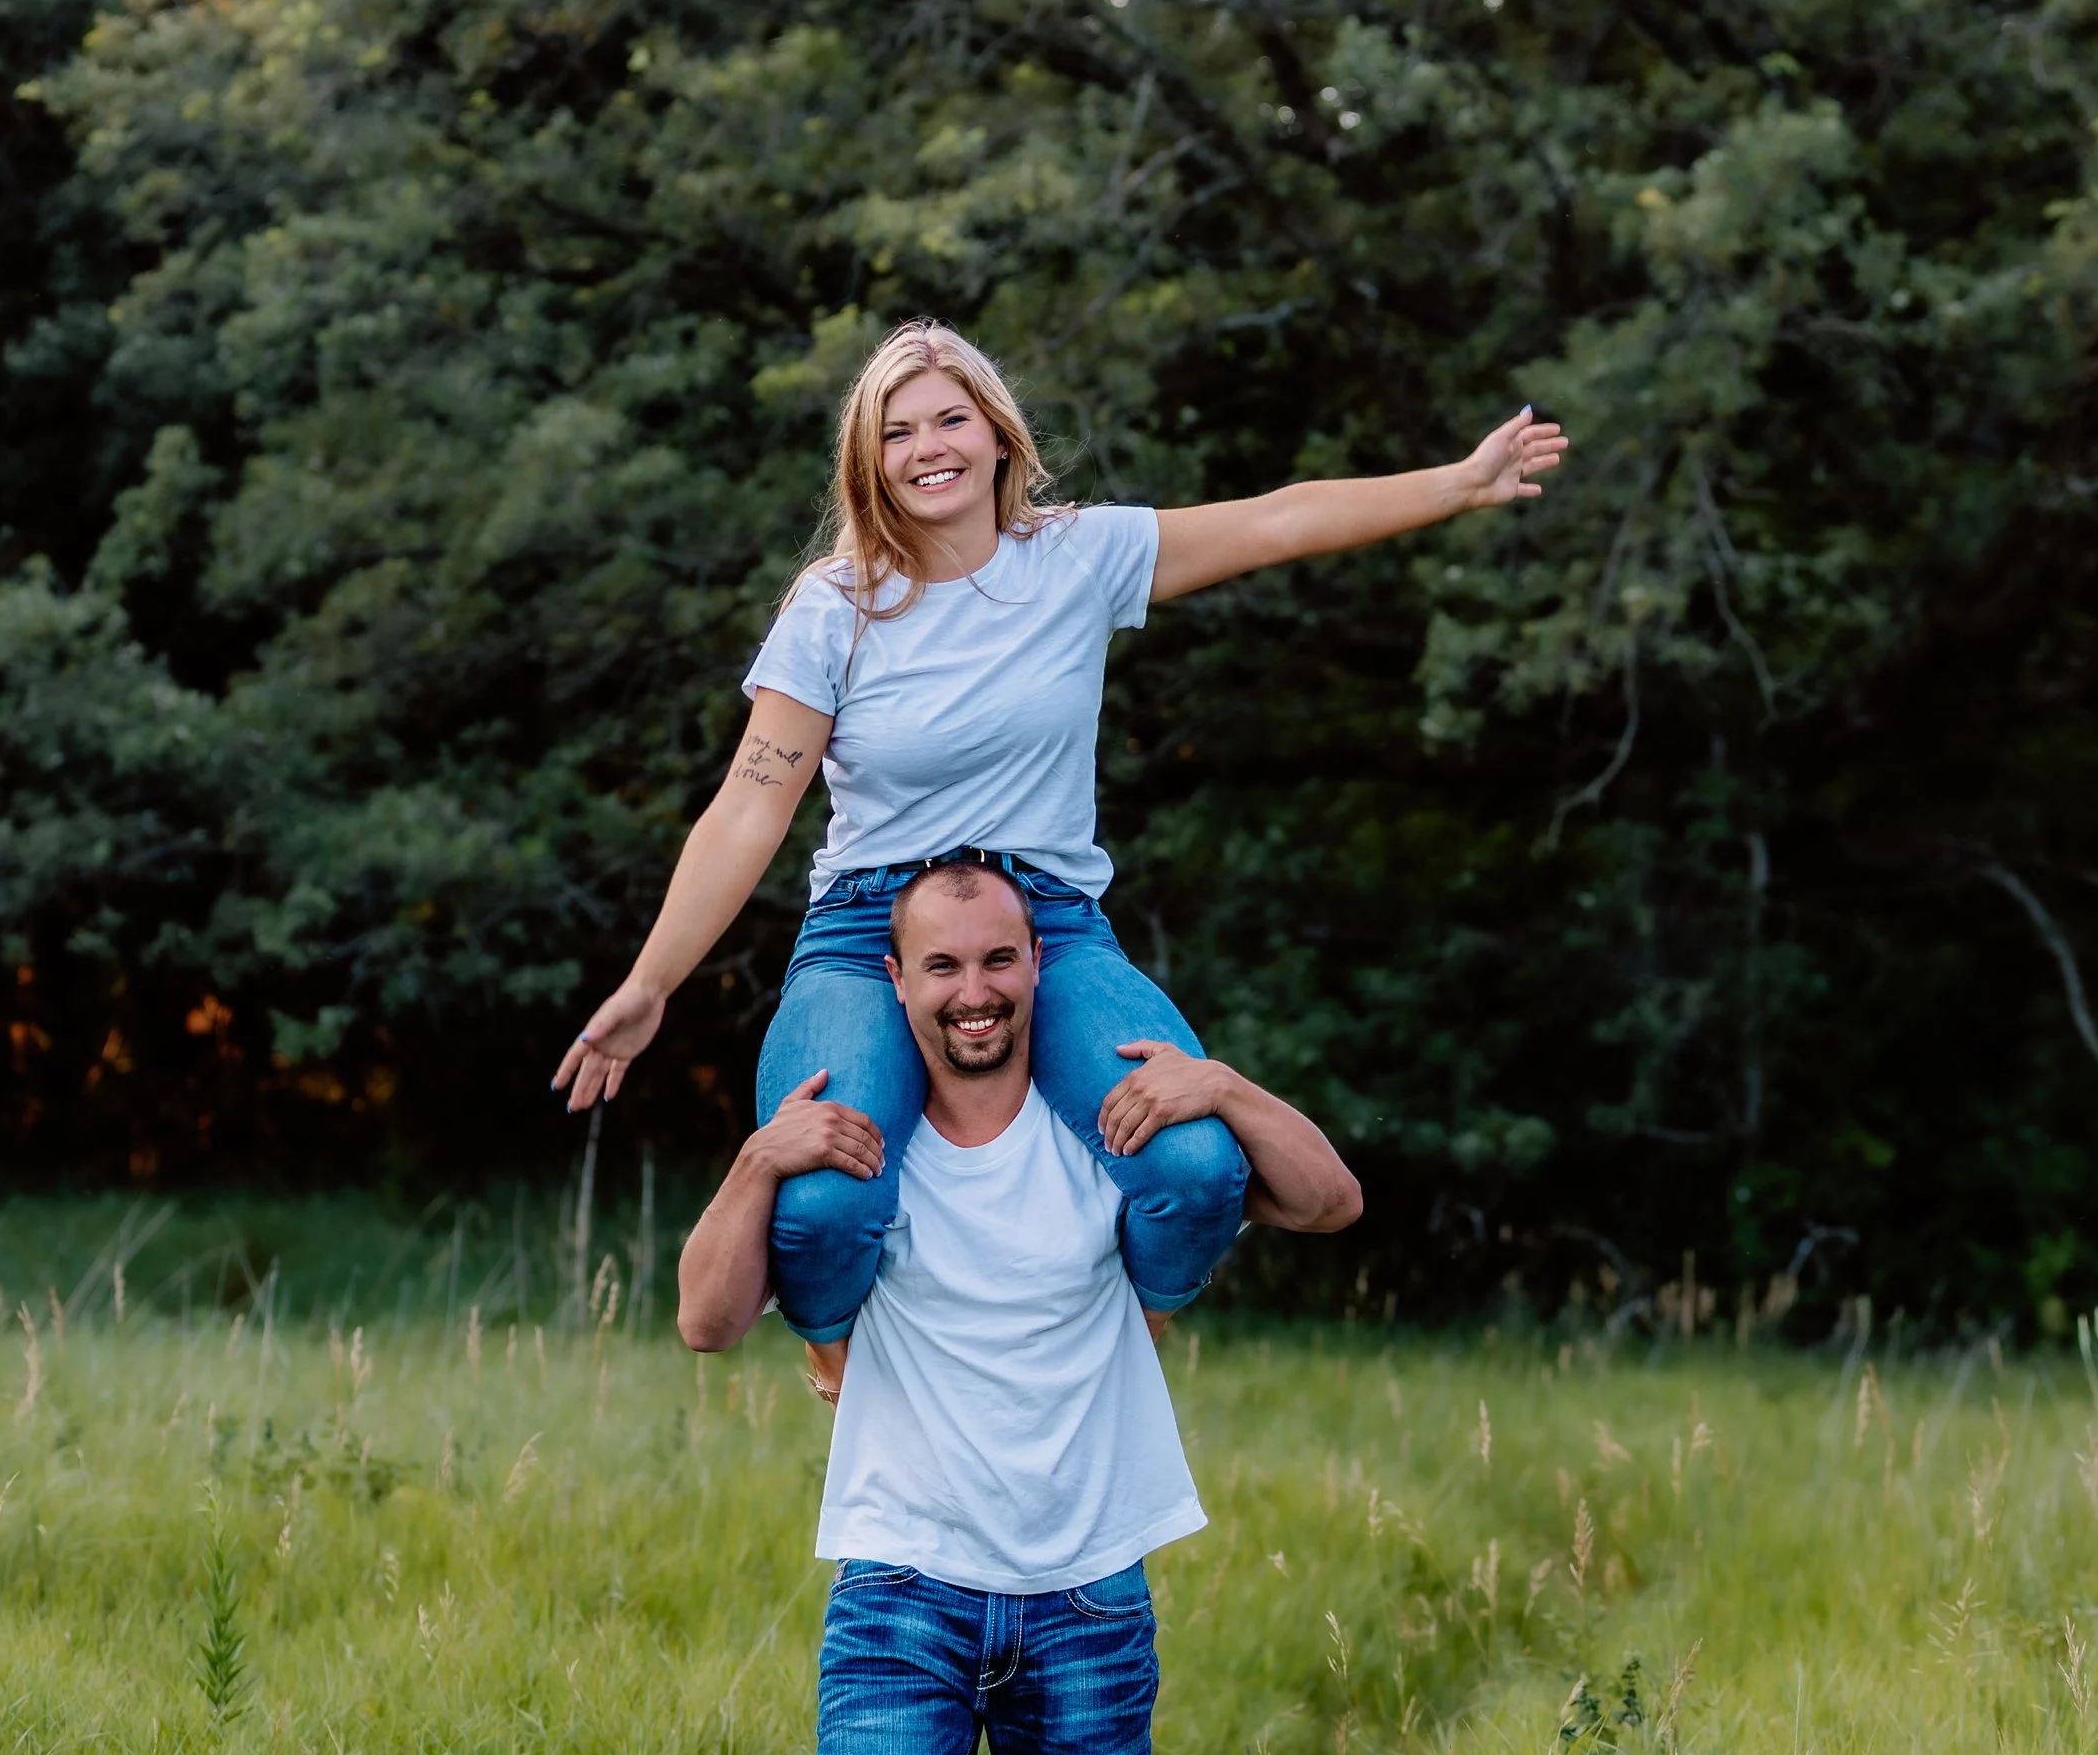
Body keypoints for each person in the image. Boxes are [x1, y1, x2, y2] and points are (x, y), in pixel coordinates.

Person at [559, 322, 1562, 1341]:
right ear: (869, 463)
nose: (927, 447)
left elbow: (1273, 522)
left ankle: (1143, 1313)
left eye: (950, 418)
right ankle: (832, 1342)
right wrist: (652, 982)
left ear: (998, 435)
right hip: (871, 938)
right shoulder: (835, 608)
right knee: (821, 1205)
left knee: (1194, 1165)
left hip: (1048, 926)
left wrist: (1458, 484)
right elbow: (750, 803)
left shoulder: (1079, 556)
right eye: (897, 432)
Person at [675, 856, 1359, 1755]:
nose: (975, 992)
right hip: (904, 1595)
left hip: (1085, 1599)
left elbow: (1330, 1197)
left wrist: (1224, 1088)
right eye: (943, 968)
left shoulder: (1099, 1133)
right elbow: (705, 1319)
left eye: (999, 962)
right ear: (898, 982)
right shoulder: (862, 1150)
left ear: (1036, 966)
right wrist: (751, 1159)